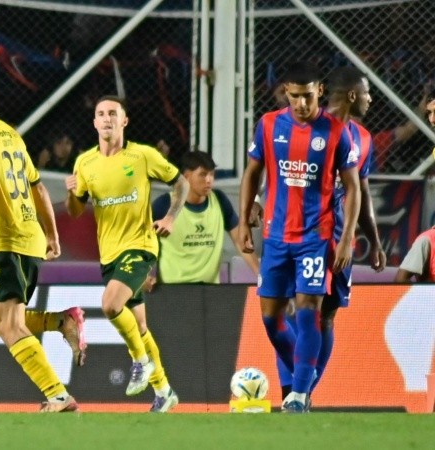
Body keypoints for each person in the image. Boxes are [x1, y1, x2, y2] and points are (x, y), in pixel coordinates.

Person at [0, 64, 80, 413]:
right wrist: (51, 234)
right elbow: (37, 187)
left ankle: (58, 395)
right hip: (27, 236)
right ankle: (61, 321)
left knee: (10, 325)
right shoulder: (8, 133)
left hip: (8, 241)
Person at [237, 61, 361, 413]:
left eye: (307, 96)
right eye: (294, 97)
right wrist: (245, 221)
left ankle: (299, 394)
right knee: (270, 319)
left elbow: (353, 187)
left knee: (309, 312)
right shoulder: (269, 125)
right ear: (285, 93)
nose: (301, 104)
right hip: (276, 237)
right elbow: (252, 173)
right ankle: (299, 382)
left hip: (315, 237)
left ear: (319, 91)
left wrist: (347, 235)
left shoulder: (336, 131)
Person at [65, 95, 189, 413]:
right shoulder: (84, 163)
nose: (106, 118)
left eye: (113, 113)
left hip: (140, 247)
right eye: (101, 114)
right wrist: (73, 192)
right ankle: (164, 393)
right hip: (109, 255)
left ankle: (140, 361)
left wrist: (172, 216)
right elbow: (76, 210)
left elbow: (182, 184)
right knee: (140, 327)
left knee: (110, 305)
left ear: (124, 121)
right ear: (94, 122)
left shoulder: (142, 156)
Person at [144, 151, 259, 288]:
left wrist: (261, 276)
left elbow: (241, 242)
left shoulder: (219, 201)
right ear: (186, 177)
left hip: (210, 291)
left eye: (211, 174)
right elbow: (141, 242)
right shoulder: (164, 204)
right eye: (203, 174)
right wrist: (143, 276)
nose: (209, 180)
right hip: (172, 291)